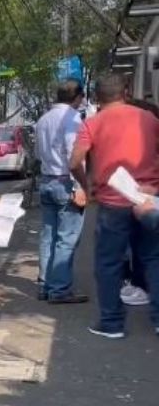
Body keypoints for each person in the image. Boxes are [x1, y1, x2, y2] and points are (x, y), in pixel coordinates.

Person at [70, 74, 159, 339]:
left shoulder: (92, 123)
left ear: (97, 97)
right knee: (154, 259)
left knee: (108, 263)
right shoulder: (150, 119)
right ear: (126, 92)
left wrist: (87, 187)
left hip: (112, 202)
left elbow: (75, 162)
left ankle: (112, 323)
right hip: (147, 199)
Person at [34, 79, 89, 304]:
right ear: (77, 97)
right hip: (66, 181)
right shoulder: (72, 119)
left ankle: (45, 284)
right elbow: (73, 155)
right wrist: (80, 186)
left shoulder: (43, 119)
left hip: (46, 181)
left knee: (49, 236)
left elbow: (37, 153)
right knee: (66, 239)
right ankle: (59, 290)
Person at [119, 99, 159, 307]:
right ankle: (140, 285)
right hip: (142, 201)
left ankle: (143, 287)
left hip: (148, 204)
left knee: (147, 249)